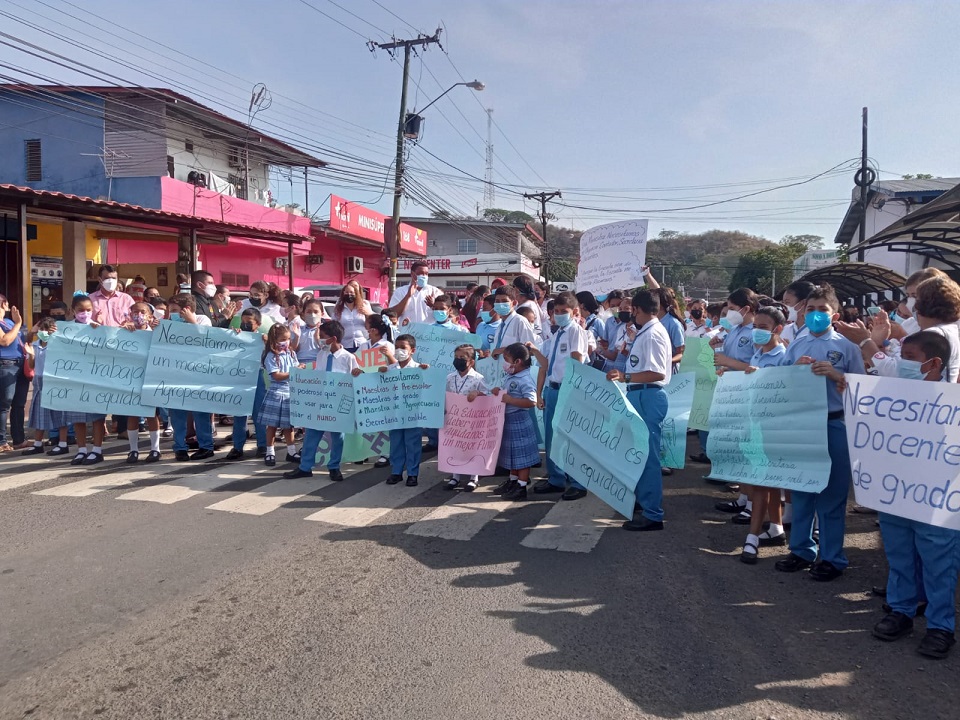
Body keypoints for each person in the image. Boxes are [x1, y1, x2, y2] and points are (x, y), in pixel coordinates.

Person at [870, 331, 960, 659]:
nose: (902, 363)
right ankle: (901, 611)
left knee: (939, 563)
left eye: (909, 357)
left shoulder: (953, 402)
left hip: (937, 500)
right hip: (895, 493)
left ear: (934, 363)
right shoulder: (888, 396)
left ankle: (940, 627)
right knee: (900, 555)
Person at [775, 283, 864, 582]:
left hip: (834, 424)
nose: (815, 315)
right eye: (810, 309)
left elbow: (863, 392)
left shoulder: (846, 348)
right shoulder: (796, 346)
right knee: (801, 491)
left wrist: (838, 376)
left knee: (832, 495)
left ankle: (832, 556)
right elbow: (780, 385)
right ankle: (801, 549)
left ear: (834, 314)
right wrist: (793, 371)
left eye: (822, 310)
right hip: (803, 425)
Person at [606, 289, 671, 532]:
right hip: (641, 393)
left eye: (632, 310)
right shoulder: (646, 332)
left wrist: (626, 376)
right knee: (639, 453)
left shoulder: (652, 334)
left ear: (637, 310)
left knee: (648, 456)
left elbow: (657, 373)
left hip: (648, 393)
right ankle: (644, 503)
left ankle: (653, 513)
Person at [733, 306, 788, 563]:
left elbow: (779, 386)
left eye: (763, 327)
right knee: (767, 480)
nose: (757, 331)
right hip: (754, 422)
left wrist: (753, 375)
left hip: (772, 426)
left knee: (761, 481)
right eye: (755, 326)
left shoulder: (783, 357)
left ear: (778, 329)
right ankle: (776, 528)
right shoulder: (757, 353)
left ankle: (752, 537)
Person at [529, 292, 589, 499]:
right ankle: (556, 478)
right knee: (552, 437)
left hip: (568, 390)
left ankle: (578, 483)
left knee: (571, 437)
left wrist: (572, 393)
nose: (560, 315)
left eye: (565, 311)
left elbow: (576, 362)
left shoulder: (576, 332)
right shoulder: (556, 335)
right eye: (557, 311)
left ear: (574, 312)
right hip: (552, 389)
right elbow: (545, 364)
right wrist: (539, 393)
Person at [284, 320, 362, 481]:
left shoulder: (348, 358)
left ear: (333, 338)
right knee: (312, 434)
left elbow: (354, 379)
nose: (319, 340)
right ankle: (305, 466)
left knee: (337, 437)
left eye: (322, 337)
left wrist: (357, 374)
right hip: (320, 402)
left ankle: (334, 467)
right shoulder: (322, 354)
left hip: (338, 403)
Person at [167, 294, 216, 462]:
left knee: (200, 411)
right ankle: (180, 447)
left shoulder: (203, 320)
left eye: (175, 310)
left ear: (186, 310)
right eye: (170, 310)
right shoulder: (169, 323)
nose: (172, 314)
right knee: (177, 413)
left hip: (198, 374)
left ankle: (206, 446)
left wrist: (191, 322)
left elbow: (205, 340)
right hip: (175, 373)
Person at [492, 343, 543, 501]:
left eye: (507, 359)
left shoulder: (525, 379)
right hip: (508, 419)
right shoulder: (511, 375)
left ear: (518, 361)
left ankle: (521, 486)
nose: (504, 362)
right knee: (512, 454)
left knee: (522, 456)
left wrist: (511, 400)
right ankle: (513, 481)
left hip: (519, 420)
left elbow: (531, 401)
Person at [66, 292, 111, 465]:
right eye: (80, 310)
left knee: (97, 416)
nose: (85, 313)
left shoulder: (97, 327)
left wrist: (100, 332)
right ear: (73, 311)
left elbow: (107, 351)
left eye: (88, 309)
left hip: (94, 378)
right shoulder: (66, 328)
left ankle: (97, 450)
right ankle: (82, 449)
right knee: (78, 416)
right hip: (75, 378)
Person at [383, 334, 430, 487]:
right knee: (395, 443)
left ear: (412, 350)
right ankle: (396, 472)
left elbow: (430, 388)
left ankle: (412, 473)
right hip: (395, 413)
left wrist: (427, 373)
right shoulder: (389, 369)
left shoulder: (419, 368)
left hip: (413, 414)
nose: (399, 350)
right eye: (397, 347)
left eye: (403, 348)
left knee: (413, 444)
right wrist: (380, 375)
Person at [21, 317, 71, 457]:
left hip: (55, 380)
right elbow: (31, 365)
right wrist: (31, 354)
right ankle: (37, 443)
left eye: (47, 330)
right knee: (39, 412)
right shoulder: (35, 345)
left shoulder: (57, 345)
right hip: (39, 381)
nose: (44, 332)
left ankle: (63, 443)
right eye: (42, 329)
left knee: (59, 412)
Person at [442, 343, 489, 492]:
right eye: (456, 357)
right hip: (454, 418)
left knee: (472, 447)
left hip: (472, 420)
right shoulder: (450, 377)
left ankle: (473, 477)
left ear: (472, 361)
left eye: (462, 357)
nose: (458, 360)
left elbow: (488, 397)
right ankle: (455, 475)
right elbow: (445, 395)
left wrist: (479, 394)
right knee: (455, 447)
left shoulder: (479, 378)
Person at [120, 302, 163, 463]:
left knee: (151, 414)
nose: (139, 315)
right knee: (132, 414)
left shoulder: (155, 333)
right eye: (135, 312)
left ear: (150, 316)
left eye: (143, 312)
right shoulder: (125, 332)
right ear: (130, 315)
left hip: (150, 379)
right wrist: (123, 330)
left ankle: (155, 449)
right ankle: (133, 450)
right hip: (130, 379)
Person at [256, 324, 302, 468]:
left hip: (290, 391)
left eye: (288, 339)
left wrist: (299, 369)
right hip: (276, 392)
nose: (287, 342)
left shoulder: (291, 353)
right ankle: (270, 452)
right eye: (283, 339)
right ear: (274, 339)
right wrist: (293, 373)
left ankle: (291, 451)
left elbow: (296, 367)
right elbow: (276, 375)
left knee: (289, 425)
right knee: (272, 425)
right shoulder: (270, 355)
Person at [225, 308, 268, 461]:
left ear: (258, 323)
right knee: (239, 412)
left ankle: (263, 445)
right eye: (243, 322)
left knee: (259, 413)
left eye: (249, 323)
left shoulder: (263, 339)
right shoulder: (238, 336)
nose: (245, 325)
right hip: (240, 376)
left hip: (257, 376)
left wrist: (267, 342)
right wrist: (233, 336)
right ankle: (237, 446)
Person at [0, 294, 25, 452]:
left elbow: (19, 339)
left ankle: (19, 439)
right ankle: (2, 441)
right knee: (4, 405)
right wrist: (19, 323)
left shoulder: (8, 322)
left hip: (20, 364)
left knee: (19, 405)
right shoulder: (12, 322)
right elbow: (5, 341)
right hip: (6, 365)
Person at [388, 261, 443, 327]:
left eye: (426, 274)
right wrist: (408, 296)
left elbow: (444, 317)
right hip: (407, 334)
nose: (424, 276)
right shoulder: (400, 292)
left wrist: (433, 305)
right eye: (420, 274)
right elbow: (393, 315)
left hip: (429, 335)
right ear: (412, 274)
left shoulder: (435, 292)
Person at [489, 287, 536, 359]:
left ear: (514, 303)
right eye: (497, 301)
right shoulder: (500, 326)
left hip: (516, 368)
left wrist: (504, 350)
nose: (500, 304)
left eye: (504, 301)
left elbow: (530, 350)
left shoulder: (520, 321)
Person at [333, 281, 373, 352]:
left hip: (362, 343)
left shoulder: (364, 304)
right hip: (345, 344)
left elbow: (373, 320)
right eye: (347, 292)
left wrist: (367, 313)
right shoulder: (339, 306)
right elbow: (334, 324)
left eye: (351, 292)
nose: (349, 294)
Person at [781, 280, 815, 346]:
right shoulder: (784, 330)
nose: (784, 306)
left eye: (787, 302)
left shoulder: (816, 333)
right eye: (783, 302)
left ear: (803, 303)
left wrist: (790, 351)